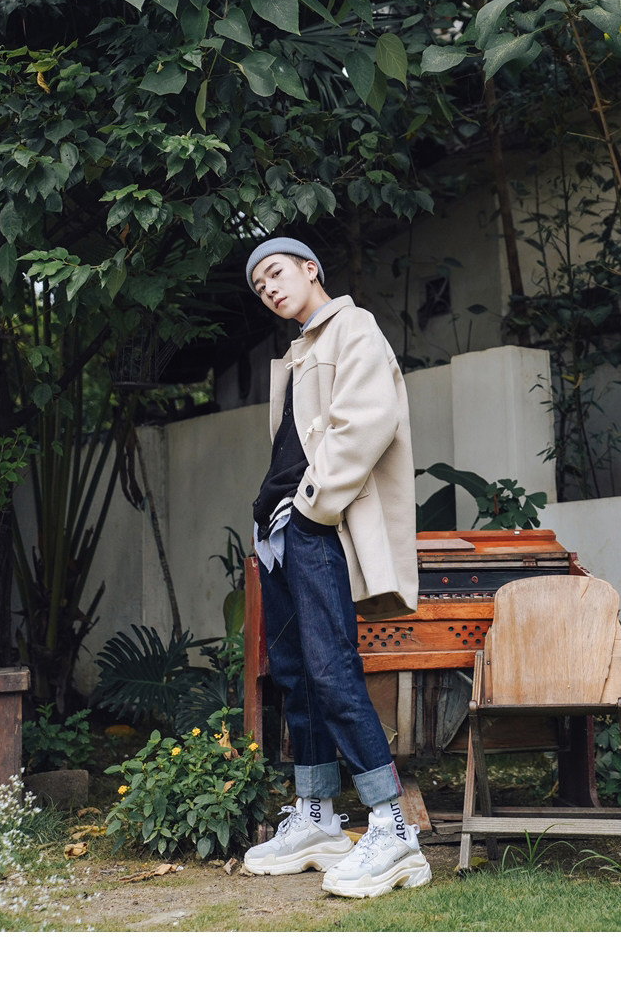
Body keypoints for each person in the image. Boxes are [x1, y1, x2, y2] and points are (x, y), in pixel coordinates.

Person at [242, 237, 432, 899]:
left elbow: (367, 422)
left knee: (330, 669)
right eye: (259, 285)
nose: (269, 288)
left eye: (276, 272)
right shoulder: (298, 351)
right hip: (278, 532)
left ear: (310, 268)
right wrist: (272, 519)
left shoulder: (353, 327)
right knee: (294, 674)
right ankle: (318, 817)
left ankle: (393, 829)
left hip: (313, 525)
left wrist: (311, 509)